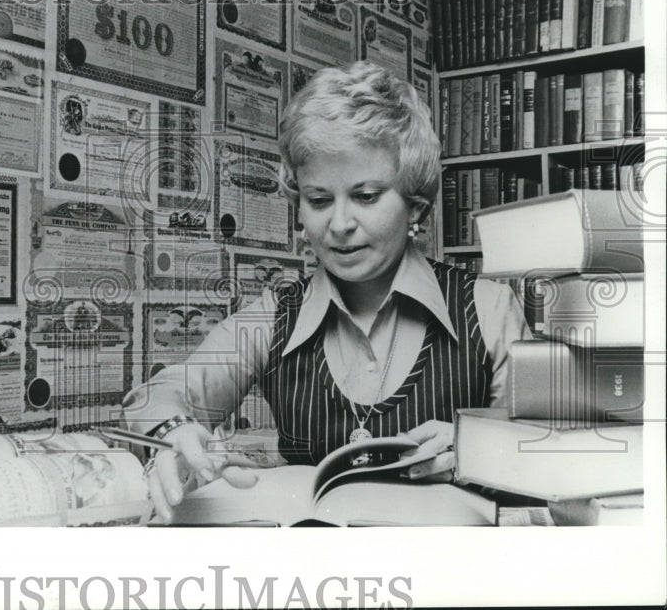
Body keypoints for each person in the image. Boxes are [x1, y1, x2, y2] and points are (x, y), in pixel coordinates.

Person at [122, 61, 532, 522]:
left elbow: (549, 452)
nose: (339, 225)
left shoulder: (489, 308)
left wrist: (480, 449)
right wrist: (174, 433)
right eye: (319, 201)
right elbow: (166, 391)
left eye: (366, 196)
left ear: (416, 205)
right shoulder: (274, 315)